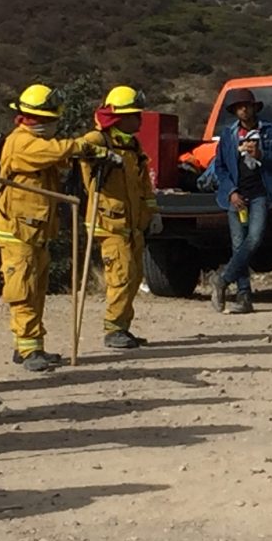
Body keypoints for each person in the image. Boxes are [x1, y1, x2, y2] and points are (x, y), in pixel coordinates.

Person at [0, 83, 106, 371]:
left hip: (36, 232)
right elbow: (54, 151)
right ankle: (29, 349)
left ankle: (29, 346)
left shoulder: (37, 144)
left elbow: (57, 158)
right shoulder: (22, 142)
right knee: (23, 290)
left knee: (36, 289)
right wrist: (82, 145)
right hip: (18, 233)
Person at [88, 84, 158, 349]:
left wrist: (152, 211)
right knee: (121, 274)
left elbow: (143, 186)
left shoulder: (133, 145)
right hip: (111, 223)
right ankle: (113, 329)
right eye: (134, 114)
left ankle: (123, 328)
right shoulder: (99, 140)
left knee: (134, 275)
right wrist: (100, 156)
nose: (140, 119)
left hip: (134, 224)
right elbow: (79, 149)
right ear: (120, 117)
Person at [208, 93, 272, 314]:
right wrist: (231, 192)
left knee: (254, 238)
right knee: (238, 242)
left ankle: (223, 279)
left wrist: (261, 154)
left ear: (254, 108)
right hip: (236, 195)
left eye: (246, 106)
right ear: (235, 112)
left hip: (260, 193)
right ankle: (244, 296)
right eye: (238, 107)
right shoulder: (228, 134)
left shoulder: (270, 130)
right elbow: (220, 167)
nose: (243, 110)